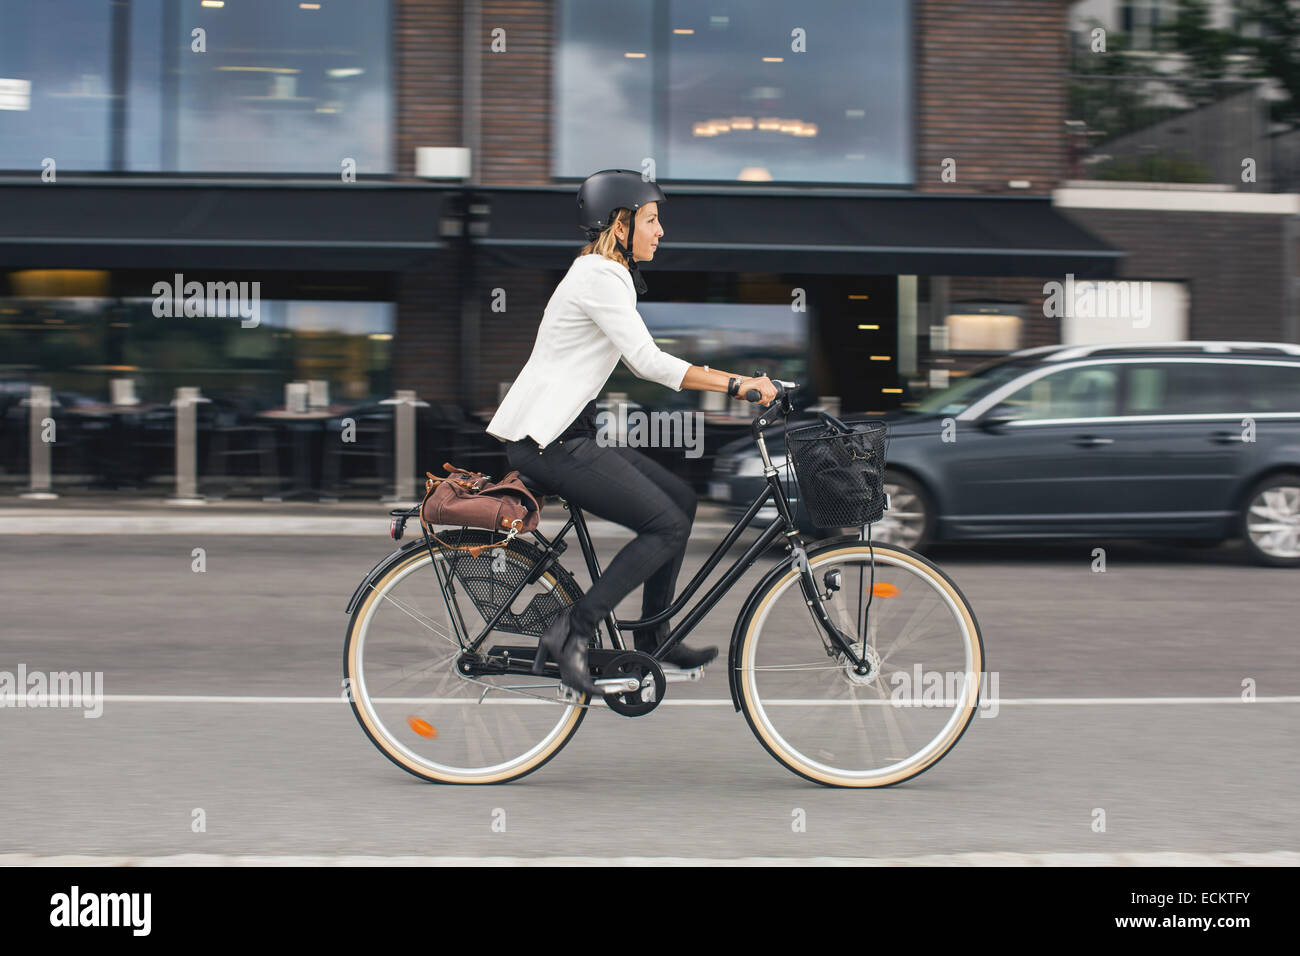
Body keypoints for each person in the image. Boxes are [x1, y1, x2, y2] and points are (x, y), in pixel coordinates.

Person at [486, 168, 778, 695]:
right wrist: (738, 384)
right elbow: (648, 362)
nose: (660, 231)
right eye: (651, 220)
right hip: (549, 441)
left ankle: (652, 638)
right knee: (663, 526)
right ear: (619, 226)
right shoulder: (599, 275)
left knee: (680, 502)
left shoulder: (599, 274)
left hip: (566, 434)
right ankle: (570, 632)